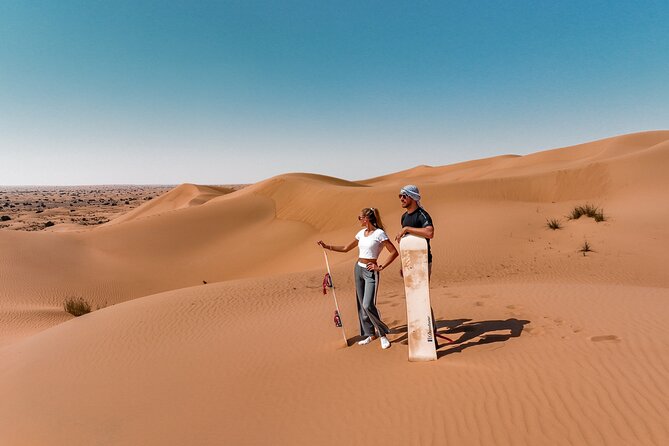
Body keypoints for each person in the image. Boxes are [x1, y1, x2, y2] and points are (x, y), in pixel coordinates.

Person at [318, 208, 398, 349]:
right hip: (358, 269)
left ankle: (382, 334)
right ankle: (370, 334)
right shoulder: (361, 233)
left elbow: (393, 252)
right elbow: (346, 248)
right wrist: (327, 246)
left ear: (366, 218)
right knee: (361, 304)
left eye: (359, 217)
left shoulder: (379, 234)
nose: (359, 220)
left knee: (368, 304)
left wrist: (380, 267)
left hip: (370, 271)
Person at [394, 185, 434, 276]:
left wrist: (407, 229)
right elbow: (405, 242)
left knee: (421, 290)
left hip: (423, 260)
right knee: (410, 290)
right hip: (408, 262)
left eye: (404, 196)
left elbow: (429, 233)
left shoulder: (422, 215)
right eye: (400, 196)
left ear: (412, 197)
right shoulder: (404, 217)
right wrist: (402, 264)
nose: (401, 199)